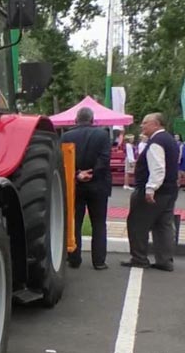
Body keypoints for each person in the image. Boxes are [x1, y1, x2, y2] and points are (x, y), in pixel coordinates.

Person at [123, 113, 179, 271]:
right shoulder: (170, 140)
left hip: (155, 191)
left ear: (156, 124)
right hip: (169, 190)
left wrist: (150, 188)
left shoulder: (156, 142)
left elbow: (158, 167)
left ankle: (139, 258)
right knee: (163, 225)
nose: (142, 126)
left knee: (137, 224)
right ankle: (164, 260)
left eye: (145, 123)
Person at [61, 107, 112, 270]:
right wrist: (92, 173)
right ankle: (99, 261)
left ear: (76, 119)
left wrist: (78, 174)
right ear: (92, 119)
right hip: (98, 185)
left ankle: (74, 258)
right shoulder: (103, 135)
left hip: (75, 185)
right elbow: (104, 159)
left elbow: (63, 161)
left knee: (75, 222)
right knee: (99, 223)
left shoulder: (66, 136)